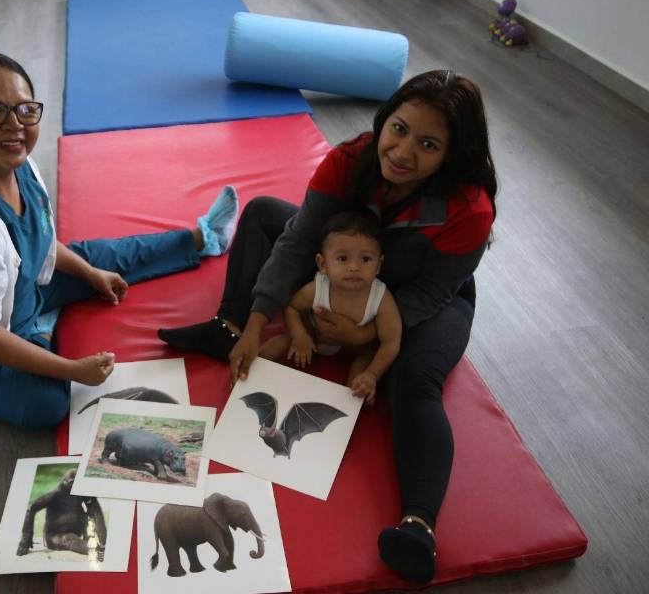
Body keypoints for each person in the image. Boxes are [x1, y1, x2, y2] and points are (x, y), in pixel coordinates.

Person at [158, 69, 497, 584]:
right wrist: (254, 322)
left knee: (416, 382)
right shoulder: (351, 159)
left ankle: (418, 525)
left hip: (418, 299)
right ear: (385, 119)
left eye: (428, 144)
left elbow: (432, 292)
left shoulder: (469, 208)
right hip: (343, 266)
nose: (403, 151)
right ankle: (225, 326)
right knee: (265, 213)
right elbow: (298, 241)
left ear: (451, 155)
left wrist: (368, 334)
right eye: (399, 129)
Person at [0, 52, 238, 429]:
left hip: (21, 287)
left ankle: (202, 238)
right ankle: (41, 331)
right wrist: (73, 369)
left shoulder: (18, 163)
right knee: (48, 403)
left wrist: (91, 274)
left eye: (24, 110)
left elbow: (40, 240)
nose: (14, 125)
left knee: (104, 259)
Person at [257, 211, 401, 405]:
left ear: (378, 265)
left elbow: (390, 342)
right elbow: (291, 307)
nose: (354, 267)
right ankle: (253, 373)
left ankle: (352, 400)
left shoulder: (381, 297)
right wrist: (300, 336)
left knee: (365, 362)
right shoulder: (319, 287)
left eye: (365, 259)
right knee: (280, 343)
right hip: (313, 337)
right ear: (322, 264)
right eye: (343, 259)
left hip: (353, 349)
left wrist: (372, 374)